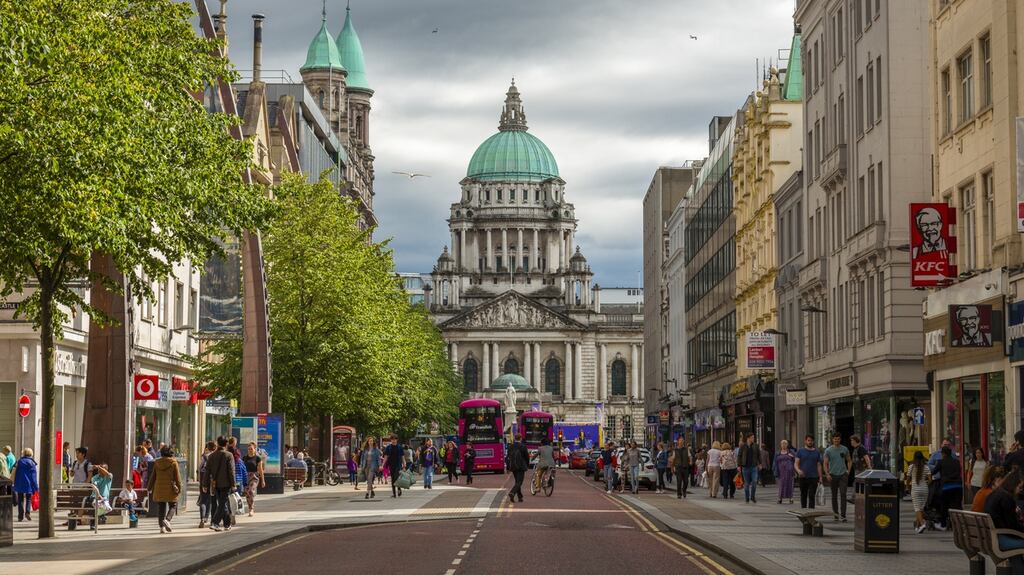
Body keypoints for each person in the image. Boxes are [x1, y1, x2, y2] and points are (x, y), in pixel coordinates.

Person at [984, 469, 1024, 573]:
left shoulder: (994, 494)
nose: (1020, 490)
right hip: (1000, 539)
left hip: (989, 537)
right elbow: (1012, 526)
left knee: (1016, 554)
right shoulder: (1006, 498)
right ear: (1013, 485)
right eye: (1019, 487)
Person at [203, 436, 236, 532]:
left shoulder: (211, 456)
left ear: (217, 443)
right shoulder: (229, 455)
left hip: (215, 484)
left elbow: (207, 471)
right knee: (222, 504)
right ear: (226, 444)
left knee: (222, 503)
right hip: (226, 484)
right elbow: (231, 471)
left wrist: (205, 485)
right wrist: (233, 484)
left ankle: (227, 523)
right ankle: (215, 523)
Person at [147, 446, 182, 533]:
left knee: (161, 507)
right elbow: (178, 478)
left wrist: (149, 487)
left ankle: (161, 528)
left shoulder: (157, 462)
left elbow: (153, 476)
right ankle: (167, 520)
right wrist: (179, 488)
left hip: (159, 488)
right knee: (173, 505)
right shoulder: (173, 463)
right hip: (170, 488)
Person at [931, 444, 963, 531]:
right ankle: (959, 524)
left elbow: (933, 472)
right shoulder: (956, 462)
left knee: (944, 506)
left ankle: (943, 524)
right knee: (957, 506)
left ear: (943, 454)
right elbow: (958, 472)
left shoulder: (941, 462)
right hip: (958, 486)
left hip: (946, 487)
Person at [823, 433, 852, 522]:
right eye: (835, 439)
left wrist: (848, 471)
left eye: (838, 439)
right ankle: (836, 514)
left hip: (843, 474)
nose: (836, 441)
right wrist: (827, 474)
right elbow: (825, 463)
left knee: (843, 494)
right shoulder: (828, 450)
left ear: (840, 439)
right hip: (832, 475)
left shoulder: (844, 449)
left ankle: (843, 515)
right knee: (834, 496)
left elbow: (849, 460)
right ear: (832, 440)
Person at [795, 435, 823, 509]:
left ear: (813, 441)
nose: (810, 442)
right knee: (803, 495)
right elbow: (796, 463)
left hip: (814, 477)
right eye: (808, 440)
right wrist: (798, 470)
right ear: (805, 441)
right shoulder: (800, 451)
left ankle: (811, 513)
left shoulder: (817, 452)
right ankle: (804, 512)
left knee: (811, 495)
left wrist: (820, 477)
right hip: (803, 477)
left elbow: (819, 465)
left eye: (811, 440)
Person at [11, 448, 37, 522]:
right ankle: (27, 512)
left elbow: (13, 470)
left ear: (24, 453)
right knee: (28, 498)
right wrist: (35, 487)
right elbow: (33, 476)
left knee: (20, 499)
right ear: (31, 454)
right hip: (29, 484)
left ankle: (20, 516)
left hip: (19, 483)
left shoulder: (19, 461)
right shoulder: (32, 463)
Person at [908, 450, 930, 534]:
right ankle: (917, 527)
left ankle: (922, 523)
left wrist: (907, 487)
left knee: (917, 508)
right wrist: (926, 483)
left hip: (915, 489)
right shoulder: (926, 467)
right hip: (924, 489)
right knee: (920, 508)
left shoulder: (911, 467)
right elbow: (930, 479)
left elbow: (908, 479)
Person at [242, 442, 265, 517]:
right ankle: (250, 508)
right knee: (247, 493)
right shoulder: (244, 458)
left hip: (254, 477)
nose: (250, 450)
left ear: (254, 449)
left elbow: (261, 470)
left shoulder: (257, 458)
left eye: (251, 449)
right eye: (249, 449)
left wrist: (263, 480)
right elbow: (242, 468)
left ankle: (251, 508)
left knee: (251, 491)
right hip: (246, 477)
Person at [197, 441, 215, 528]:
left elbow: (199, 469)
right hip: (213, 481)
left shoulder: (204, 457)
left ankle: (202, 519)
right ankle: (208, 519)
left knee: (203, 500)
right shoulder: (216, 456)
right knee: (211, 501)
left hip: (204, 481)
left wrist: (200, 482)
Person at [737, 433, 759, 503]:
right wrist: (738, 465)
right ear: (748, 438)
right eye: (752, 438)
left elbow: (759, 455)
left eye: (753, 437)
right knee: (746, 483)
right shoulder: (743, 446)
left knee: (754, 481)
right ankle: (747, 497)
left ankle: (752, 496)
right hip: (745, 467)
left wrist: (760, 463)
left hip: (754, 467)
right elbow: (739, 456)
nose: (753, 439)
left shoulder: (755, 446)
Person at [773, 440, 796, 504]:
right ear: (780, 445)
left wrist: (793, 456)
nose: (784, 445)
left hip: (789, 472)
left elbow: (796, 460)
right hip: (781, 472)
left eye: (785, 444)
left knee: (790, 484)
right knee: (781, 485)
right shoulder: (778, 453)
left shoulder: (791, 452)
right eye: (782, 444)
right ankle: (780, 498)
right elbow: (774, 462)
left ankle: (791, 498)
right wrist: (774, 469)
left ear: (787, 445)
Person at [508, 437, 529, 503]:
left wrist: (508, 467)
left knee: (517, 481)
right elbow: (526, 457)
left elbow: (508, 456)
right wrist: (527, 465)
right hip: (521, 466)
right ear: (520, 439)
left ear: (514, 439)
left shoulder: (511, 446)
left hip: (513, 466)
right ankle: (512, 492)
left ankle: (520, 497)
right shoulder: (523, 446)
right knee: (519, 482)